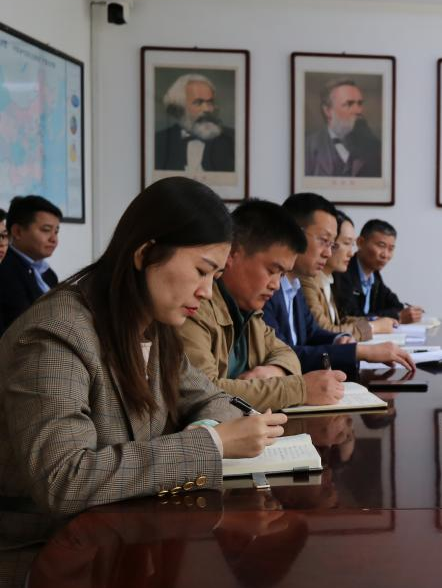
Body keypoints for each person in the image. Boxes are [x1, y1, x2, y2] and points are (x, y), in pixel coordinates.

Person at [0, 177, 286, 517]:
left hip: (127, 527)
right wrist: (211, 444)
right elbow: (64, 479)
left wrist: (204, 430)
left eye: (215, 276)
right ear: (145, 253)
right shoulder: (57, 334)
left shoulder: (156, 326)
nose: (207, 292)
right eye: (201, 271)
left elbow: (213, 400)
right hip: (50, 544)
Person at [180, 199, 347, 412]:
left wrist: (275, 370)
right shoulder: (194, 307)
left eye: (282, 274)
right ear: (232, 254)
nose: (276, 285)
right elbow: (204, 394)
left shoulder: (250, 313)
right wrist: (300, 389)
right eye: (272, 270)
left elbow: (287, 353)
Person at [263, 194, 415, 375]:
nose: (328, 253)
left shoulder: (294, 285)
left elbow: (313, 333)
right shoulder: (267, 288)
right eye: (324, 240)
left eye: (332, 244)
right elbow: (284, 355)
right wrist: (359, 351)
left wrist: (340, 340)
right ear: (293, 234)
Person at [301, 210, 393, 339]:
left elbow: (338, 321)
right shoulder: (307, 280)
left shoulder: (327, 279)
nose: (351, 253)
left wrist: (371, 321)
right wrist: (373, 327)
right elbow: (324, 331)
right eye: (346, 243)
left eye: (351, 244)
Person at [332, 219, 423, 324]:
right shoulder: (343, 272)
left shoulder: (374, 275)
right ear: (360, 242)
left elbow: (396, 305)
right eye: (381, 246)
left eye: (391, 249)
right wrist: (397, 316)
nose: (385, 255)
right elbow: (350, 318)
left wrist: (399, 313)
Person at [0, 195, 61, 334]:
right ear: (17, 231)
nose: (54, 239)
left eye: (56, 231)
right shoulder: (4, 269)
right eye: (46, 230)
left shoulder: (49, 274)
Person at [153, 73, 236, 173]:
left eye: (210, 102)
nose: (207, 109)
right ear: (179, 108)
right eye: (198, 102)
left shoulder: (233, 139)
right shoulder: (158, 141)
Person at [304, 78, 383, 178]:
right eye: (349, 104)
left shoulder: (375, 149)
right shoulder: (307, 148)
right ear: (328, 111)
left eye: (359, 103)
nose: (358, 110)